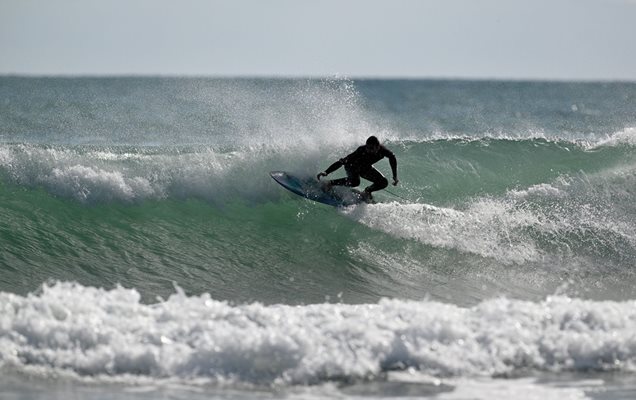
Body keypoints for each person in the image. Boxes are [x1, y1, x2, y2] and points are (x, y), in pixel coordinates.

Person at [317, 136, 399, 201]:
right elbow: (343, 161)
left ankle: (367, 191)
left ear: (378, 147)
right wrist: (326, 172)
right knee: (355, 182)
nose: (369, 150)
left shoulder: (383, 151)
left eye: (371, 148)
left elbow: (392, 157)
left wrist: (394, 176)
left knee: (383, 182)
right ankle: (329, 183)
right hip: (351, 166)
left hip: (365, 167)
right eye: (368, 147)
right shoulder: (361, 150)